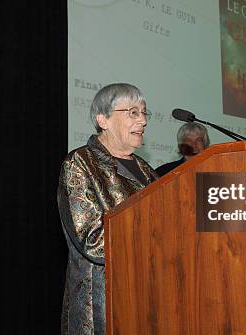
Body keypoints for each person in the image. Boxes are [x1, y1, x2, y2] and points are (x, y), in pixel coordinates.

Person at [57, 83, 158, 334]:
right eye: (133, 112)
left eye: (144, 112)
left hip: (150, 297)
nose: (143, 120)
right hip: (103, 306)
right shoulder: (79, 164)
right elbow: (93, 240)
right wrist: (158, 237)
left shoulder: (146, 170)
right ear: (103, 119)